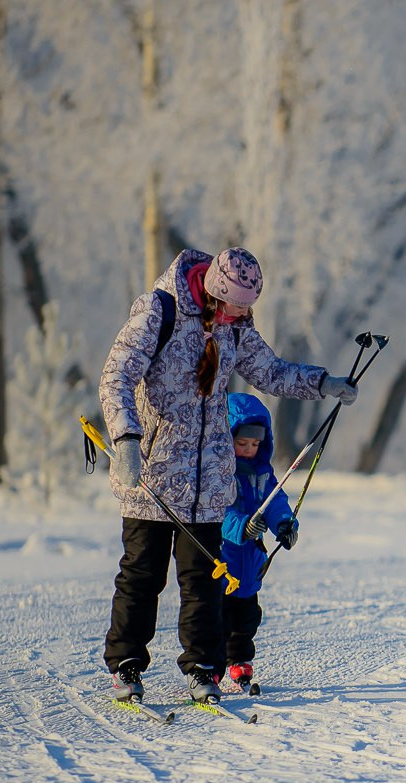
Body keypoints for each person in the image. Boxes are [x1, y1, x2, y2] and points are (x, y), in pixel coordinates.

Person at [100, 247, 357, 704]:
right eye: (241, 304)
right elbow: (115, 376)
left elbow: (272, 372)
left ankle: (203, 669)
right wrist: (125, 440)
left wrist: (323, 384)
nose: (246, 313)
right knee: (142, 576)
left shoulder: (234, 327)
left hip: (209, 483)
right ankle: (127, 664)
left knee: (205, 580)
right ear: (218, 293)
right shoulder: (158, 313)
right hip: (153, 475)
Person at [217, 392, 299, 690]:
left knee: (247, 616)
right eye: (242, 443)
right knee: (218, 618)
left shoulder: (263, 474)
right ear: (228, 440)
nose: (250, 449)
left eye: (255, 444)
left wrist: (285, 524)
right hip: (221, 559)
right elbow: (218, 512)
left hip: (250, 560)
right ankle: (211, 666)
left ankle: (239, 661)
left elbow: (276, 502)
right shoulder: (219, 473)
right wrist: (243, 527)